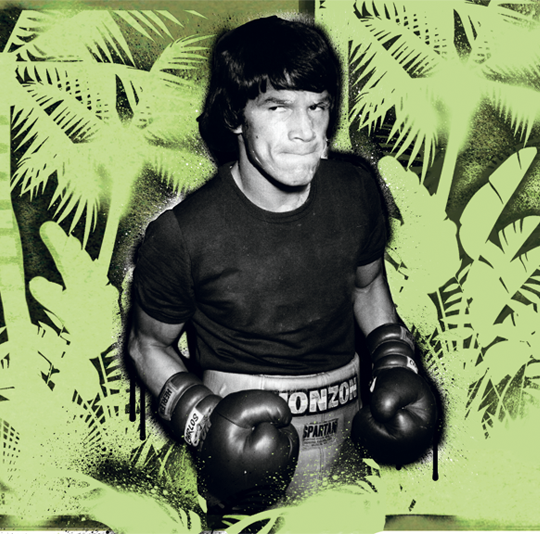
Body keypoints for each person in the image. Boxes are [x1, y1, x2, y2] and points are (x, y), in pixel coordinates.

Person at [126, 15, 438, 518]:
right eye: (278, 107)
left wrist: (393, 359)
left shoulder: (355, 192)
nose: (305, 132)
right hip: (238, 461)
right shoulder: (182, 234)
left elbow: (367, 285)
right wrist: (201, 420)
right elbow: (147, 344)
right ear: (236, 116)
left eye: (317, 107)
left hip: (343, 447)